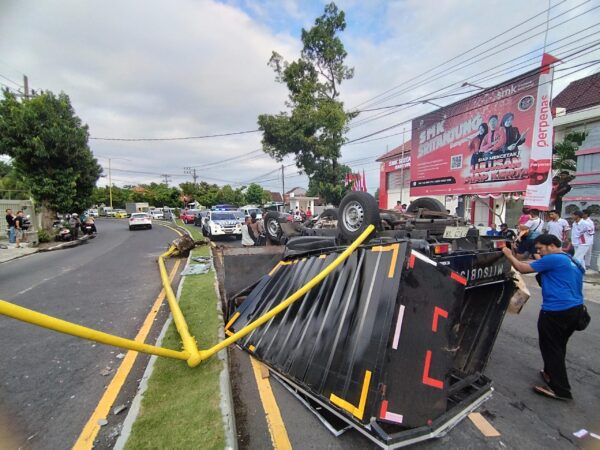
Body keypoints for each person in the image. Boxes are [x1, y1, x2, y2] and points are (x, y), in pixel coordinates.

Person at [502, 234, 584, 400]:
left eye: (540, 248)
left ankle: (561, 390)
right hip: (575, 310)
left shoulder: (553, 259)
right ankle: (549, 373)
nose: (538, 252)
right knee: (558, 346)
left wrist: (508, 254)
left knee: (551, 348)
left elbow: (521, 268)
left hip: (556, 311)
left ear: (552, 245)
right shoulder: (571, 260)